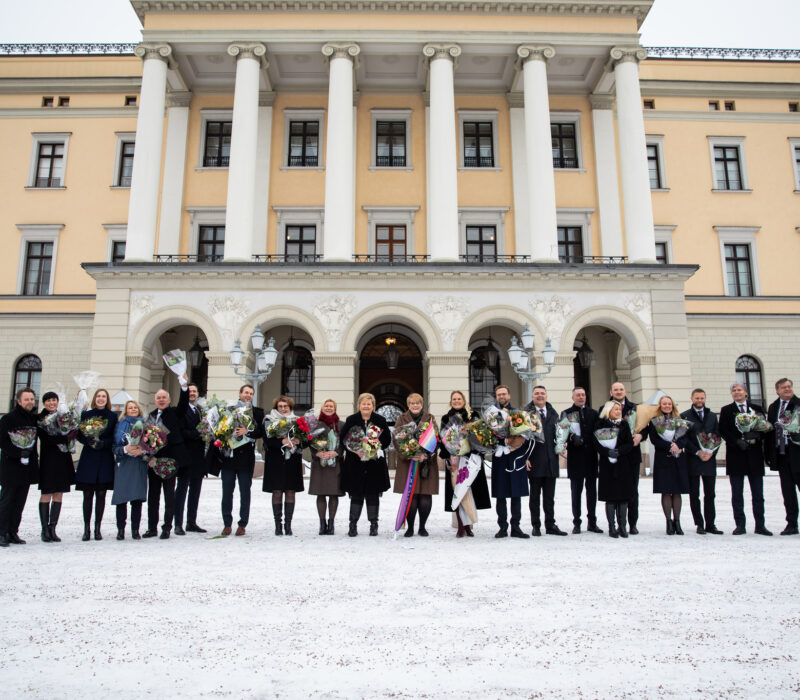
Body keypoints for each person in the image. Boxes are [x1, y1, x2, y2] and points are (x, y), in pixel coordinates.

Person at [719, 381, 772, 536]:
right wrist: (737, 441)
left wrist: (755, 435)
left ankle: (760, 525)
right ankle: (740, 525)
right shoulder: (727, 410)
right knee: (737, 493)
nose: (737, 392)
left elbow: (765, 428)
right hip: (736, 455)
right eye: (734, 390)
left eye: (740, 390)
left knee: (758, 494)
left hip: (754, 455)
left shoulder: (756, 409)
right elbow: (723, 430)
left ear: (746, 392)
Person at [142, 379, 190, 540]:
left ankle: (167, 527)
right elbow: (146, 439)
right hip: (154, 461)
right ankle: (152, 528)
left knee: (169, 496)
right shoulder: (151, 416)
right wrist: (149, 456)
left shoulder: (175, 412)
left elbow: (184, 403)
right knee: (153, 496)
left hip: (169, 461)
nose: (161, 400)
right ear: (155, 400)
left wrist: (184, 386)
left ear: (169, 400)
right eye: (158, 398)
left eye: (164, 397)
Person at [439, 390, 490, 538]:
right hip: (455, 459)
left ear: (464, 400)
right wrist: (447, 452)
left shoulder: (473, 416)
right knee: (457, 492)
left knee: (470, 491)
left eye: (459, 399)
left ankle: (469, 525)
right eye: (454, 399)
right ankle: (461, 525)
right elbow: (442, 439)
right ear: (450, 402)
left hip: (471, 459)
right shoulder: (446, 418)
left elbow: (480, 436)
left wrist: (478, 448)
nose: (456, 401)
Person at [215, 384, 264, 537]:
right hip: (229, 457)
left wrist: (247, 432)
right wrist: (226, 432)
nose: (248, 395)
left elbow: (261, 432)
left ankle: (242, 524)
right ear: (240, 393)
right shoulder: (228, 410)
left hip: (246, 458)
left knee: (245, 492)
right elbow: (219, 429)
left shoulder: (257, 412)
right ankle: (227, 524)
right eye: (246, 393)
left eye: (251, 393)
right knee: (227, 492)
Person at [340, 393, 392, 536]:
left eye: (369, 404)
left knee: (373, 495)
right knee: (356, 494)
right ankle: (353, 524)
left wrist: (375, 447)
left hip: (374, 465)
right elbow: (343, 440)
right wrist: (355, 451)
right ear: (359, 405)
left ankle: (373, 524)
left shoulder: (380, 420)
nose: (366, 406)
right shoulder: (351, 420)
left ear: (373, 406)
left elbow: (387, 440)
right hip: (355, 463)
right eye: (363, 404)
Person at [393, 393, 439, 537]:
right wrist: (409, 453)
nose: (415, 405)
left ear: (422, 404)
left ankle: (422, 527)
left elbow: (435, 438)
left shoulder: (429, 418)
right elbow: (397, 439)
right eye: (412, 403)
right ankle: (410, 528)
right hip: (408, 463)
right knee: (411, 496)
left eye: (417, 403)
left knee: (425, 496)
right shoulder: (401, 419)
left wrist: (426, 454)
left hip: (426, 464)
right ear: (408, 405)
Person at [75, 388, 118, 541]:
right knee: (87, 494)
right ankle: (86, 528)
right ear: (95, 399)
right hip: (89, 457)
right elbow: (79, 434)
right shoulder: (86, 415)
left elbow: (115, 436)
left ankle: (97, 528)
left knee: (101, 494)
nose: (101, 399)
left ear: (107, 399)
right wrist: (88, 441)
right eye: (98, 396)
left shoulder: (113, 416)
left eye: (104, 396)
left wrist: (103, 443)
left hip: (104, 456)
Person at [524, 386, 567, 536]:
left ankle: (550, 524)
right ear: (533, 396)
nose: (540, 396)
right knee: (534, 497)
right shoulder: (526, 414)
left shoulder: (554, 413)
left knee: (549, 498)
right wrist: (525, 457)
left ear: (546, 396)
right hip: (535, 461)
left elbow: (559, 434)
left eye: (542, 393)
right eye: (537, 393)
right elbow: (522, 439)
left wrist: (562, 444)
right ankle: (536, 525)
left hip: (551, 461)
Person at [0, 387, 40, 546]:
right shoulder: (8, 419)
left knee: (20, 502)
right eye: (26, 399)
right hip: (11, 467)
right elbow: (2, 441)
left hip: (26, 468)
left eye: (32, 399)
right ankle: (1, 532)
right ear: (19, 401)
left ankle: (13, 531)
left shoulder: (33, 418)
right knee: (7, 501)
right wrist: (18, 453)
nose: (30, 402)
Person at [606, 382, 647, 535]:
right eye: (615, 389)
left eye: (621, 389)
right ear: (611, 391)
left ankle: (632, 523)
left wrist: (641, 435)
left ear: (625, 391)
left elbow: (646, 427)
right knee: (615, 491)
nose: (618, 391)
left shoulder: (635, 408)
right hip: (613, 457)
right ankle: (616, 524)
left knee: (632, 491)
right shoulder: (605, 408)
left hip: (631, 456)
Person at [681, 389, 723, 535]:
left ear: (705, 398)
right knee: (694, 494)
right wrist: (698, 451)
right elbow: (683, 439)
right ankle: (699, 523)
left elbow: (718, 435)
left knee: (710, 494)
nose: (699, 400)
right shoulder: (685, 416)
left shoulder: (712, 416)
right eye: (697, 398)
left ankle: (711, 524)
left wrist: (711, 453)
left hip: (709, 460)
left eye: (702, 398)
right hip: (693, 459)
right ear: (692, 398)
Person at [561, 387, 601, 534]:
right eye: (578, 395)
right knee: (576, 492)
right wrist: (572, 438)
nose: (581, 397)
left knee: (591, 492)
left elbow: (598, 433)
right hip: (575, 458)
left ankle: (592, 522)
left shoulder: (593, 414)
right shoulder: (566, 413)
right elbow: (562, 433)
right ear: (573, 397)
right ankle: (576, 522)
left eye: (583, 395)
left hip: (590, 457)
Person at [648, 395, 690, 535]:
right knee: (666, 490)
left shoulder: (680, 421)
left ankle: (677, 522)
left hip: (678, 459)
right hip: (663, 458)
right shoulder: (655, 421)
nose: (667, 406)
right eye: (664, 404)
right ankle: (668, 522)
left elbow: (685, 437)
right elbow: (654, 439)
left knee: (677, 490)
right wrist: (669, 446)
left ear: (673, 406)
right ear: (660, 406)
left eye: (669, 404)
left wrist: (678, 445)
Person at [36, 390, 75, 542]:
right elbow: (46, 439)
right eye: (48, 400)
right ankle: (44, 529)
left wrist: (70, 434)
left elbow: (70, 428)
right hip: (48, 459)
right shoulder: (40, 419)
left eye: (54, 400)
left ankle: (53, 528)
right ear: (44, 403)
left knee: (59, 493)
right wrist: (64, 438)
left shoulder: (62, 416)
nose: (52, 403)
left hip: (63, 458)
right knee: (46, 493)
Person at [594, 400, 635, 538]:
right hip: (607, 465)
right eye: (615, 409)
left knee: (623, 497)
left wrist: (619, 451)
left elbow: (629, 443)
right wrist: (607, 452)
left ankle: (622, 526)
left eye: (619, 409)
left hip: (622, 463)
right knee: (610, 497)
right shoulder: (600, 424)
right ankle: (611, 527)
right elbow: (596, 443)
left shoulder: (624, 424)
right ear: (608, 410)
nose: (618, 411)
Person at [765, 378, 800, 536]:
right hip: (782, 454)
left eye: (789, 387)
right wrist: (767, 454)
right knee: (788, 492)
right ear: (777, 390)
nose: (787, 389)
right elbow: (769, 433)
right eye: (784, 387)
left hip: (797, 453)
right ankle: (791, 524)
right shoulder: (773, 407)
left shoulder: (798, 404)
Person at [263, 395, 302, 536]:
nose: (283, 409)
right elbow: (267, 440)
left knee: (290, 491)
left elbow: (305, 440)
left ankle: (288, 525)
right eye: (280, 406)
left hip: (292, 460)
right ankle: (278, 524)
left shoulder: (298, 421)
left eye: (286, 406)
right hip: (275, 460)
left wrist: (298, 441)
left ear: (290, 407)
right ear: (276, 408)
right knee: (277, 491)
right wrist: (282, 441)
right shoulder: (269, 420)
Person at [111, 400, 148, 540]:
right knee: (121, 499)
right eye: (130, 408)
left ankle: (135, 530)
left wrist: (143, 450)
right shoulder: (120, 425)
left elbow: (153, 444)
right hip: (124, 463)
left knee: (136, 499)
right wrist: (126, 449)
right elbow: (114, 447)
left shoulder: (145, 425)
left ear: (139, 410)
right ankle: (120, 530)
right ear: (125, 411)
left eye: (135, 408)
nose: (133, 410)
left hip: (139, 463)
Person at [174, 382, 207, 535]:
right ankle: (178, 523)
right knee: (181, 490)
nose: (192, 393)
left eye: (194, 391)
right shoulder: (180, 411)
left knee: (195, 491)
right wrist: (199, 432)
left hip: (199, 457)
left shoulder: (200, 411)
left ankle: (191, 522)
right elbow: (181, 432)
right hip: (185, 456)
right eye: (190, 391)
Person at [308, 398, 344, 535]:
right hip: (320, 464)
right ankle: (322, 524)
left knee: (334, 494)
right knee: (321, 494)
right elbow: (309, 441)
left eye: (331, 406)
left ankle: (331, 523)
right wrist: (317, 453)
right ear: (322, 408)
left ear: (335, 409)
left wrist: (337, 452)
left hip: (335, 464)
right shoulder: (315, 424)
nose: (328, 408)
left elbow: (345, 443)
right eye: (326, 406)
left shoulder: (341, 425)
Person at [492, 433, 534, 538]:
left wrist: (520, 441)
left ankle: (516, 527)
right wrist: (505, 441)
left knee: (516, 493)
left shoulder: (521, 416)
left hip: (517, 456)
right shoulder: (495, 417)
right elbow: (489, 437)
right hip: (500, 458)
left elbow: (529, 436)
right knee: (500, 494)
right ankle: (502, 527)